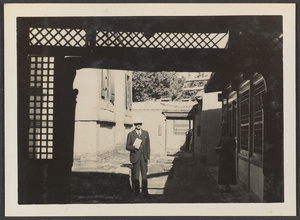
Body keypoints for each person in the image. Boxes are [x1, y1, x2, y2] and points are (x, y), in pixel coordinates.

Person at [126, 116, 151, 198]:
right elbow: (127, 146)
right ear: (134, 125)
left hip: (143, 157)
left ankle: (145, 191)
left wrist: (148, 157)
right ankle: (136, 191)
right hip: (135, 157)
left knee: (144, 174)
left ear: (141, 124)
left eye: (139, 124)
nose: (138, 125)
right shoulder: (130, 134)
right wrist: (134, 147)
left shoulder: (145, 133)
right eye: (136, 124)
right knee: (135, 175)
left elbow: (148, 146)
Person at [215, 121, 237, 192]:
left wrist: (221, 148)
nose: (223, 129)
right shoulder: (223, 135)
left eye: (224, 127)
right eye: (222, 127)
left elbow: (231, 147)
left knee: (227, 172)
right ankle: (226, 186)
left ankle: (228, 187)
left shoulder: (230, 136)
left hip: (228, 158)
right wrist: (218, 148)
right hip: (223, 157)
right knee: (223, 172)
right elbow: (221, 144)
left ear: (226, 128)